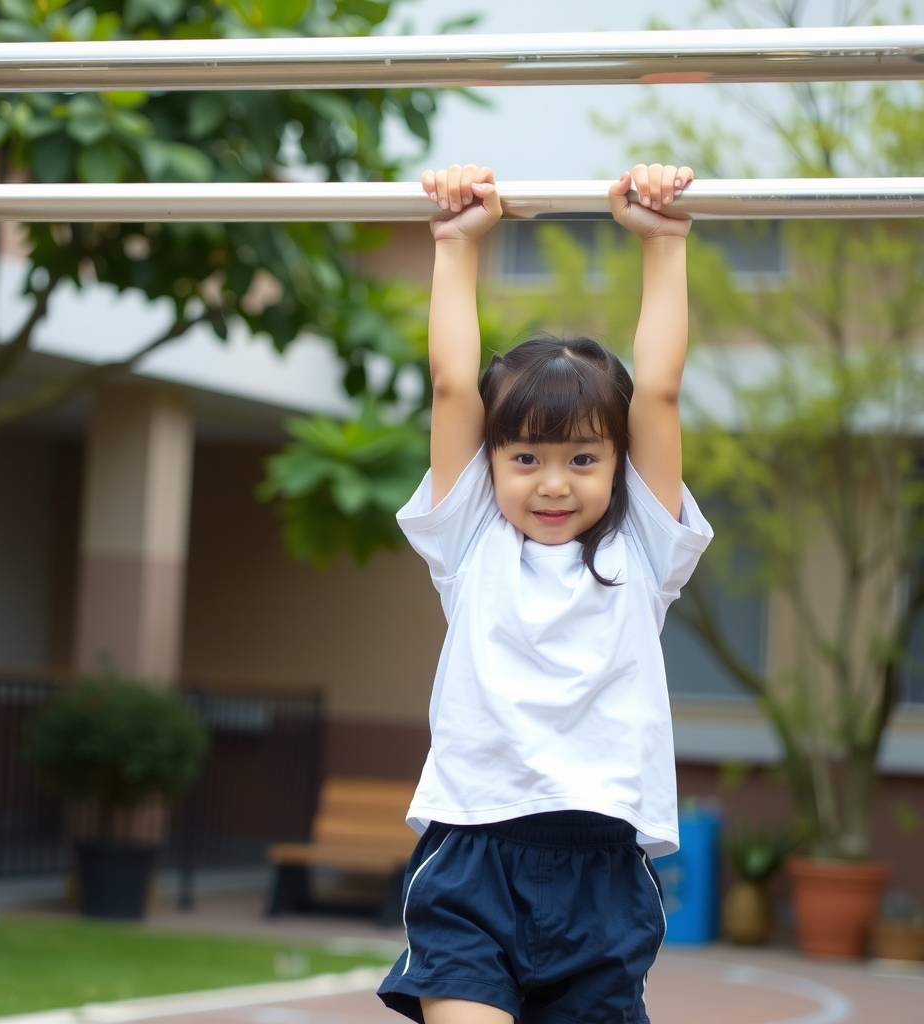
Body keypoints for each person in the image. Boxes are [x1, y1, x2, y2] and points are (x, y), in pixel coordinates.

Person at [376, 162, 714, 1024]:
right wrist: (456, 243)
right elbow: (455, 385)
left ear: (616, 465)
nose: (553, 483)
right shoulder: (473, 539)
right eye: (526, 457)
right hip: (475, 857)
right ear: (493, 466)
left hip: (600, 873)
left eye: (583, 459)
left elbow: (663, 388)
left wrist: (664, 242)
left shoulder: (646, 549)